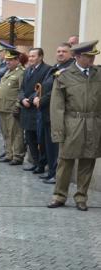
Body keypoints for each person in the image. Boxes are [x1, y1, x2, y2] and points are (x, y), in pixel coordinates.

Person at [47, 40, 101, 211]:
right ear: (77, 56)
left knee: (87, 161)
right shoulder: (63, 76)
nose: (92, 59)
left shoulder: (98, 74)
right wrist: (58, 131)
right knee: (65, 161)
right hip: (72, 123)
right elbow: (56, 107)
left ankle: (81, 197)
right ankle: (59, 195)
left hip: (93, 123)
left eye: (93, 56)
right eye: (88, 56)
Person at [33, 43, 74, 184]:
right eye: (58, 51)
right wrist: (37, 97)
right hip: (46, 113)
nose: (60, 53)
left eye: (64, 51)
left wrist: (41, 100)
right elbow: (45, 86)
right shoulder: (55, 68)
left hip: (55, 114)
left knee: (55, 148)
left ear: (71, 54)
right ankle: (51, 171)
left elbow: (57, 92)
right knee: (48, 145)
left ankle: (56, 174)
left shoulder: (69, 69)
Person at [18, 48, 51, 174]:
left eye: (33, 56)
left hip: (37, 109)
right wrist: (22, 99)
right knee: (30, 138)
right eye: (30, 56)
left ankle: (42, 164)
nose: (30, 58)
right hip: (26, 109)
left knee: (40, 139)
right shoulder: (27, 70)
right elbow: (21, 88)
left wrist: (30, 100)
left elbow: (42, 88)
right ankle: (36, 163)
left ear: (41, 57)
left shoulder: (47, 69)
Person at [0, 49, 26, 165]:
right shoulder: (8, 71)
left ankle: (17, 156)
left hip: (12, 107)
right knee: (6, 132)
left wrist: (18, 105)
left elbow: (22, 90)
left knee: (15, 133)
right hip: (3, 107)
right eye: (6, 60)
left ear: (17, 60)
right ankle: (9, 153)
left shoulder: (21, 72)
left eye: (10, 60)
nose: (7, 62)